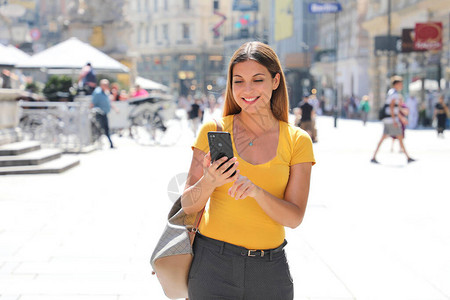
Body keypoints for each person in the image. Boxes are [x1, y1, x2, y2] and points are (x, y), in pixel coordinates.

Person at [181, 41, 315, 299]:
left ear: (275, 81)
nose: (247, 89)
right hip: (212, 266)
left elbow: (294, 218)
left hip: (269, 272)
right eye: (238, 81)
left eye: (257, 79)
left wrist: (256, 192)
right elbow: (187, 204)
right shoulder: (213, 130)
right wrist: (210, 180)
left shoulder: (298, 140)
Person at [371, 76, 415, 164]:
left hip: (388, 119)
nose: (402, 86)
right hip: (391, 120)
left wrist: (401, 119)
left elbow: (394, 109)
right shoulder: (394, 94)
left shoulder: (391, 93)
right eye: (401, 84)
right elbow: (392, 108)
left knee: (386, 137)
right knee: (399, 137)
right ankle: (408, 157)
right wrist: (396, 120)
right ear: (397, 84)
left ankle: (374, 156)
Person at [91, 79, 115, 149]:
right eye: (105, 85)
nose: (107, 86)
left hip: (104, 113)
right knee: (101, 129)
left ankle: (109, 143)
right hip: (99, 113)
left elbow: (109, 102)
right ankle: (101, 143)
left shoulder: (106, 92)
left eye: (107, 85)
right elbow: (92, 103)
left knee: (105, 129)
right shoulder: (97, 92)